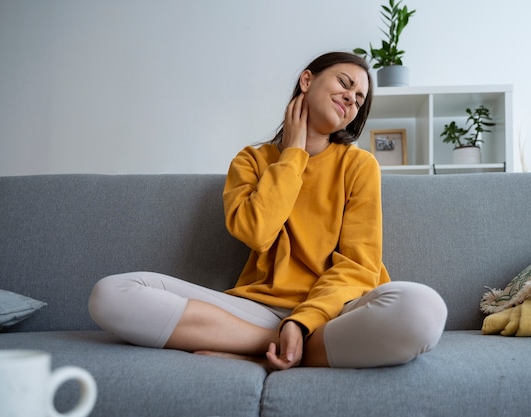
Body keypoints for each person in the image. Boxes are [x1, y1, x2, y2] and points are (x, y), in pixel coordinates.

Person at [89, 51, 447, 371]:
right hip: (257, 312)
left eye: (359, 99)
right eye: (345, 83)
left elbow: (359, 267)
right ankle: (272, 345)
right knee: (112, 294)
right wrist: (293, 155)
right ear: (307, 80)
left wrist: (303, 321)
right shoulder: (251, 160)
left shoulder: (360, 165)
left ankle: (280, 345)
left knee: (423, 310)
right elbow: (257, 232)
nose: (351, 99)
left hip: (336, 310)